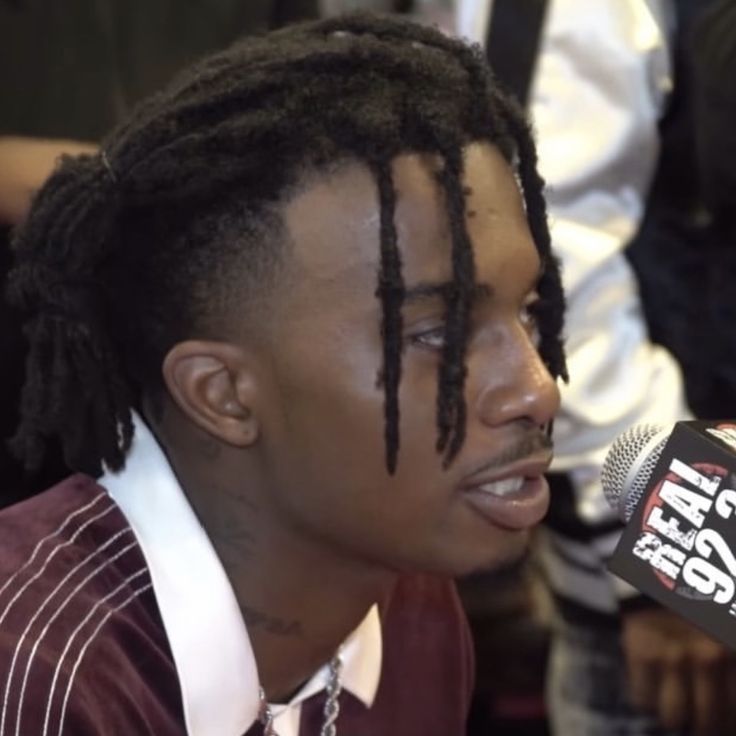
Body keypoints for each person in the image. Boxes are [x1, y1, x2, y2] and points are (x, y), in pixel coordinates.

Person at [0, 12, 566, 735]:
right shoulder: (35, 678)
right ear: (223, 394)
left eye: (528, 312)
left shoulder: (414, 610)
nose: (536, 388)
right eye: (438, 334)